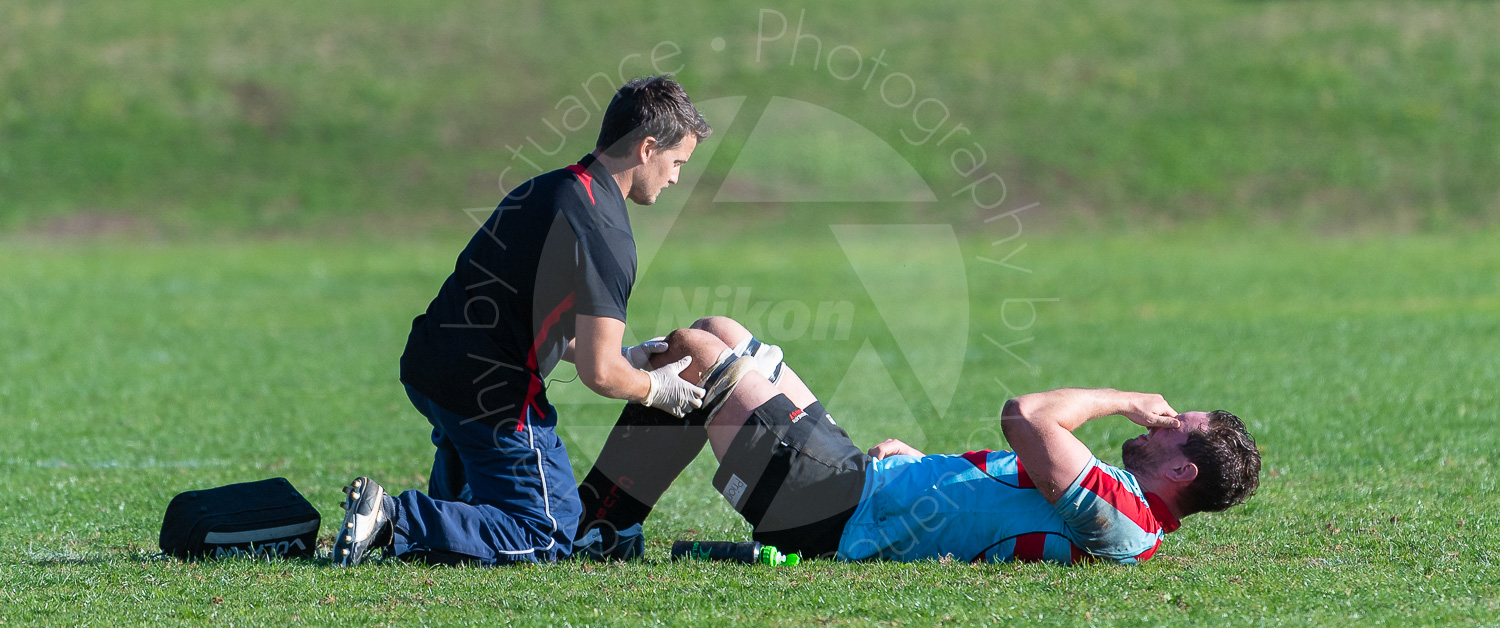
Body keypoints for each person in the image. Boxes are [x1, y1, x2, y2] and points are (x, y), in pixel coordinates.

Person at [331, 75, 712, 567]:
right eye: (676, 162)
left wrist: (623, 356)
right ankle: (392, 518)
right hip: (490, 394)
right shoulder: (607, 232)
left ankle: (447, 512)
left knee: (480, 510)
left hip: (429, 364)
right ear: (646, 149)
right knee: (548, 530)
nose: (676, 178)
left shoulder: (548, 188)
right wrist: (654, 388)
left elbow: (528, 315)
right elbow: (600, 376)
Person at [575, 317, 1262, 564]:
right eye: (1168, 412)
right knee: (720, 329)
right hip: (858, 483)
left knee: (699, 355)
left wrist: (1123, 400)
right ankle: (608, 526)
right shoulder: (1126, 503)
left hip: (830, 514)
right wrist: (915, 468)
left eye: (1176, 428)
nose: (1160, 420)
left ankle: (600, 521)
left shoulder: (1125, 518)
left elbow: (1025, 415)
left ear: (1181, 472)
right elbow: (1004, 486)